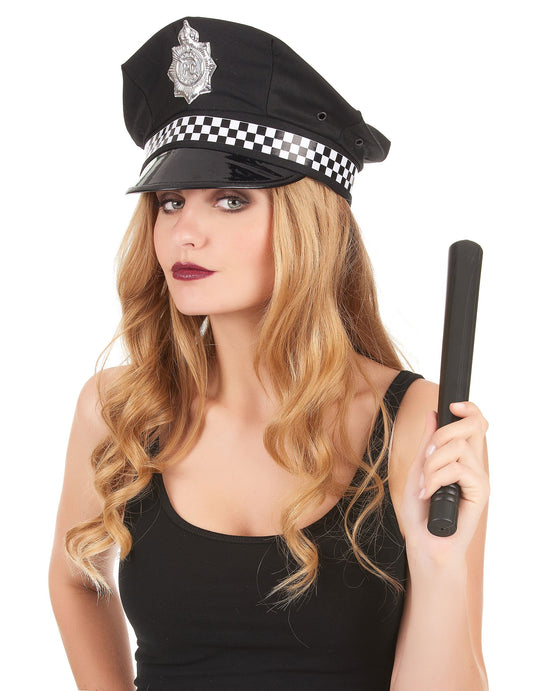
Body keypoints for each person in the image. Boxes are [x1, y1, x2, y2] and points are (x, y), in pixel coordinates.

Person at [48, 17, 490, 691]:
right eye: (171, 201)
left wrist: (440, 565)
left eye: (231, 199)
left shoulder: (417, 422)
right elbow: (76, 581)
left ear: (308, 225)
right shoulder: (119, 411)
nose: (186, 232)